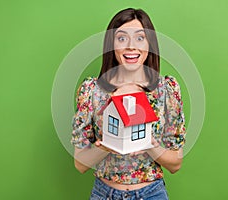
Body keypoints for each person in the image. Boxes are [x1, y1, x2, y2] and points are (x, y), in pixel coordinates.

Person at [71, 8, 186, 200]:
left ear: (150, 44)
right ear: (111, 45)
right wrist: (104, 147)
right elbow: (80, 164)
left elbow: (175, 164)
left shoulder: (167, 90)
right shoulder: (91, 90)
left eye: (140, 38)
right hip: (103, 194)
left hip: (152, 194)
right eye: (122, 38)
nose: (131, 46)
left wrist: (150, 145)